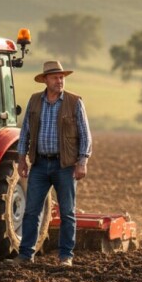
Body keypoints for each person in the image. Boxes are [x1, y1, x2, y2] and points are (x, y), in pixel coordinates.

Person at [11, 60, 92, 267]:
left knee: (67, 212)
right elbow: (26, 132)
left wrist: (82, 162)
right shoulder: (35, 101)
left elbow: (85, 135)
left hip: (65, 165)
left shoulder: (74, 102)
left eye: (62, 77)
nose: (60, 80)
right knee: (31, 211)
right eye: (55, 77)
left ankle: (66, 256)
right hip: (39, 164)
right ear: (45, 80)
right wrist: (22, 159)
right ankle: (25, 255)